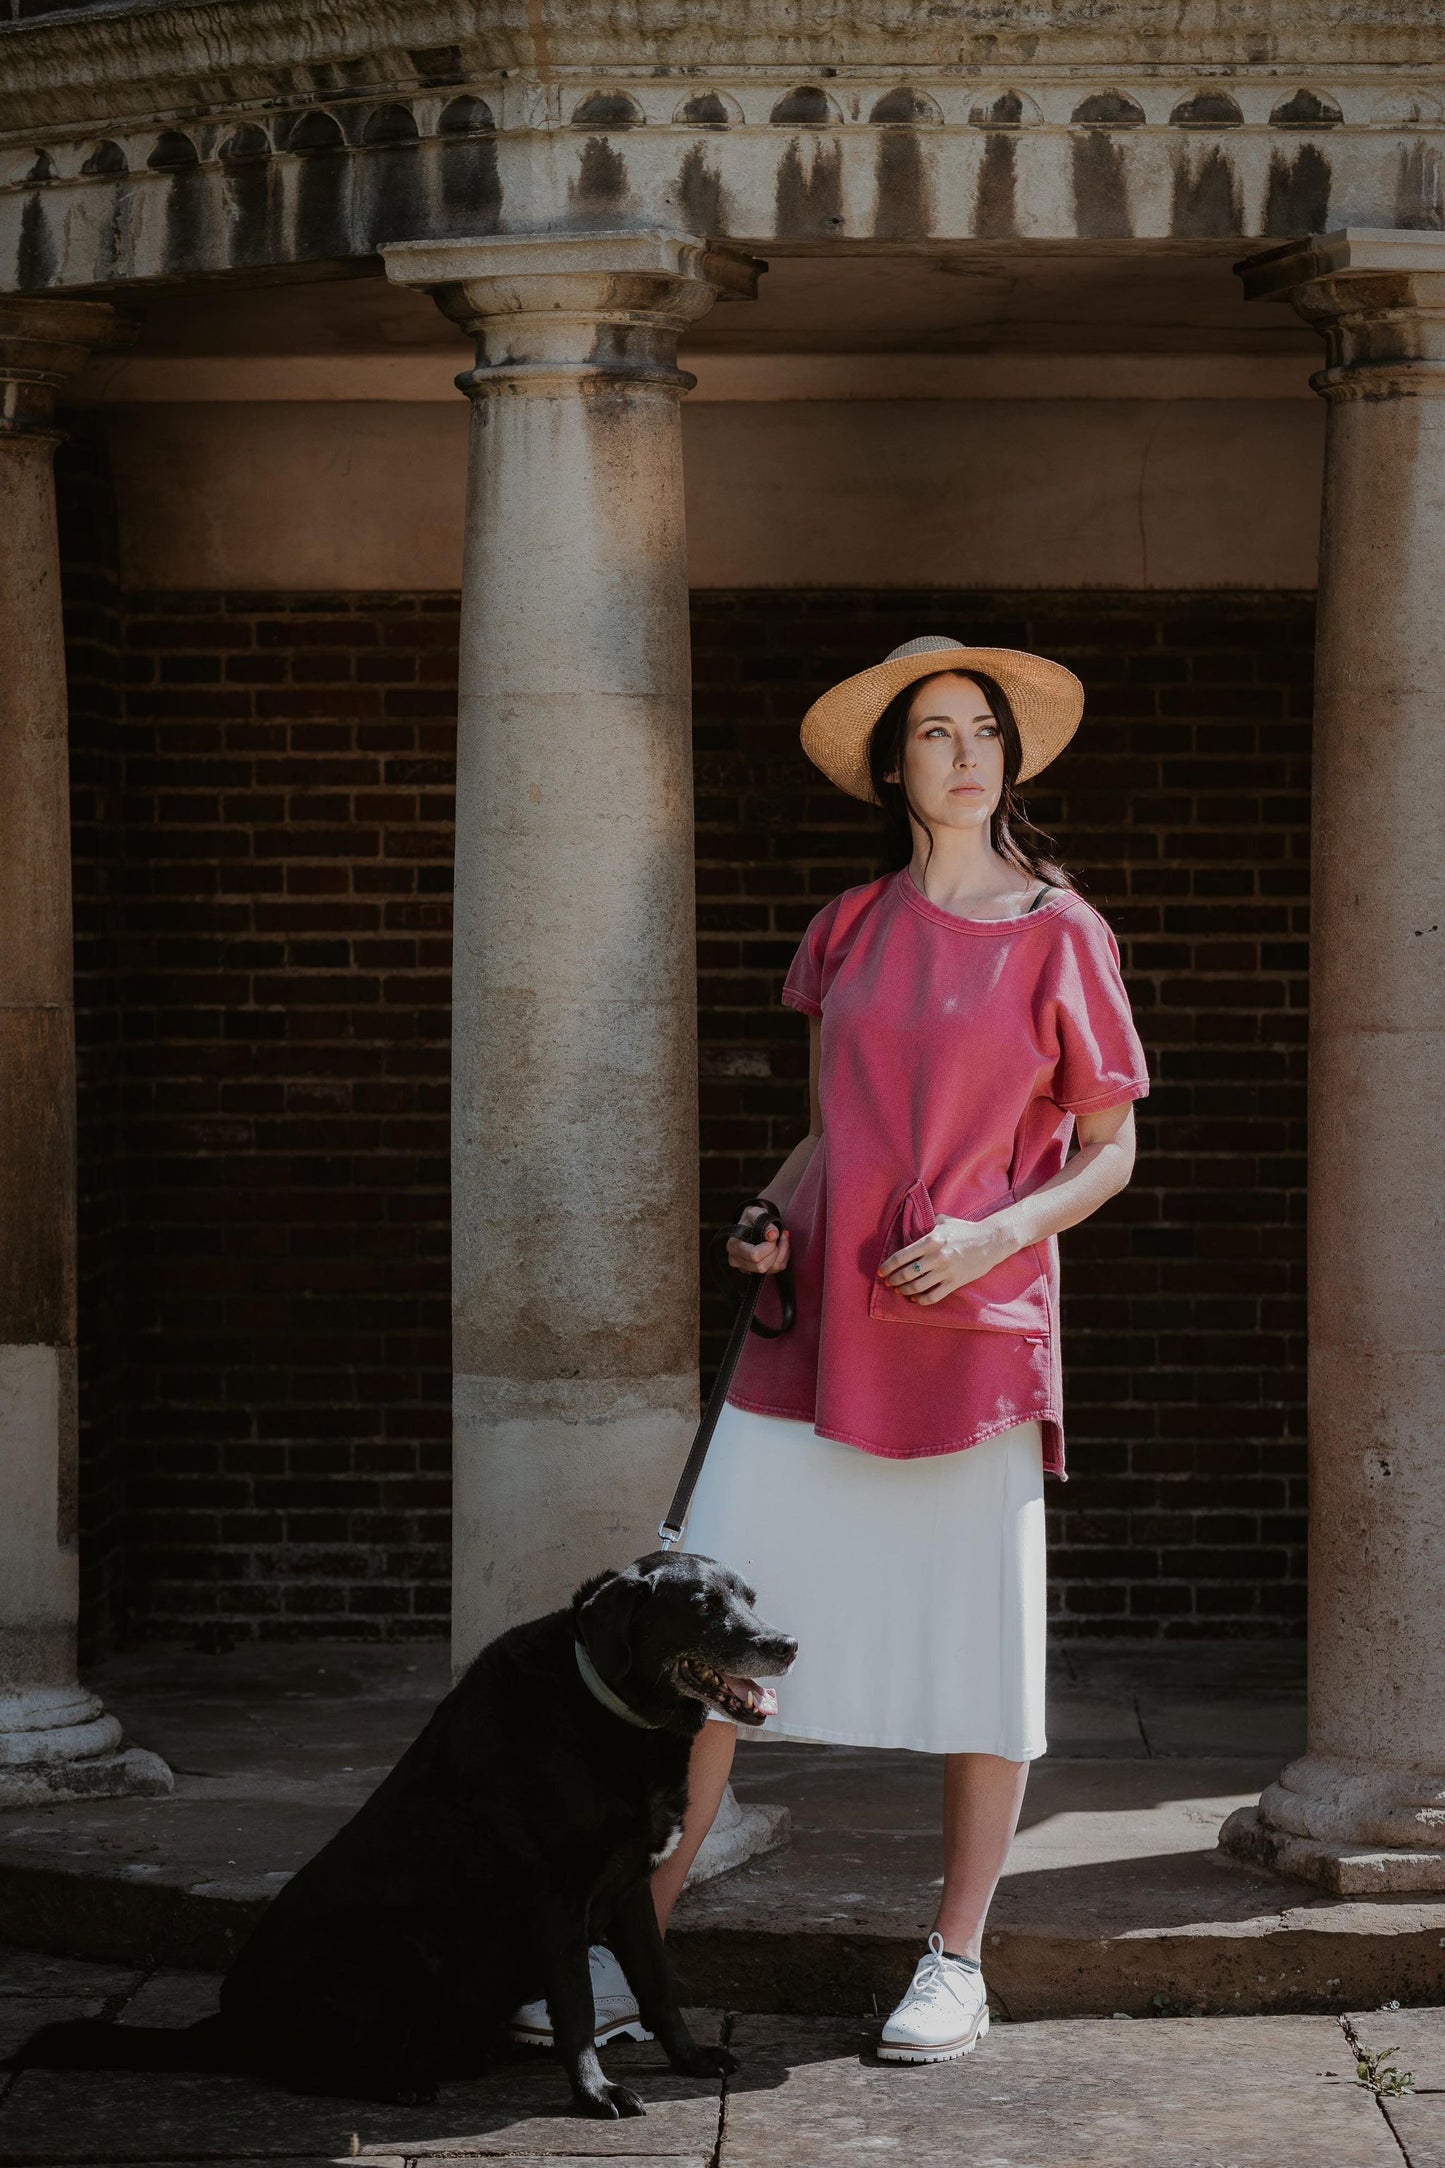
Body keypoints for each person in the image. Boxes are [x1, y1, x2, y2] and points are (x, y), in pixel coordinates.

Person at [512, 633, 1150, 2065]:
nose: (965, 752)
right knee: (713, 1639)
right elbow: (825, 1134)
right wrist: (767, 1213)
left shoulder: (1061, 930)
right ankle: (644, 1933)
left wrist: (994, 1237)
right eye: (933, 731)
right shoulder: (848, 925)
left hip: (970, 1334)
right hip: (815, 1333)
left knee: (984, 1656)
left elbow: (1108, 1151)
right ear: (891, 764)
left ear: (1011, 754)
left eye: (982, 728)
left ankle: (954, 1957)